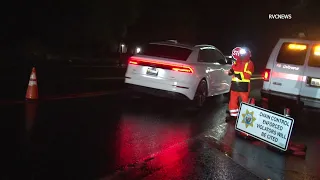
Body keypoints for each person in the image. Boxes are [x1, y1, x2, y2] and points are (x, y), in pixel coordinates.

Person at [226, 47, 254, 121]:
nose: (242, 55)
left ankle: (245, 118)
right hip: (235, 85)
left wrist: (238, 74)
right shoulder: (237, 62)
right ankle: (233, 115)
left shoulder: (250, 63)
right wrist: (230, 71)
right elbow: (232, 70)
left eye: (244, 54)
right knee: (232, 100)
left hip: (243, 85)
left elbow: (248, 74)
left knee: (245, 101)